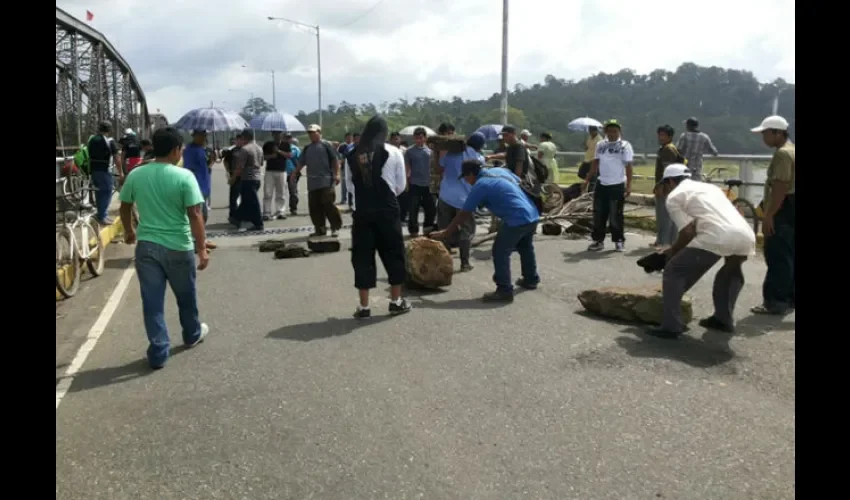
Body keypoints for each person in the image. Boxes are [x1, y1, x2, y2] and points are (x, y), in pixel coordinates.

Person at [118, 127, 210, 369]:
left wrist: (129, 230)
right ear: (175, 150)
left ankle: (159, 351)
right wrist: (202, 248)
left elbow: (124, 206)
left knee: (152, 302)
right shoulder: (184, 176)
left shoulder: (136, 175)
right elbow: (195, 214)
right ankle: (191, 335)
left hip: (147, 247)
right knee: (186, 297)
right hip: (179, 246)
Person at [647, 164, 755, 338]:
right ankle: (723, 319)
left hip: (717, 236)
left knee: (673, 271)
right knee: (730, 272)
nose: (665, 189)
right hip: (745, 235)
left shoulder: (674, 196)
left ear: (671, 181)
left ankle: (671, 325)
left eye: (665, 185)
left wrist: (672, 252)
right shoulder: (710, 188)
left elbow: (688, 231)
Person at [431, 160, 540, 302]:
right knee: (525, 246)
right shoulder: (499, 171)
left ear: (471, 174)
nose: (466, 180)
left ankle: (504, 290)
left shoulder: (480, 186)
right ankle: (531, 279)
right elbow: (517, 181)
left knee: (500, 251)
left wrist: (446, 232)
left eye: (465, 177)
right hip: (532, 214)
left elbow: (464, 213)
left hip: (516, 219)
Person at [343, 115, 412, 319]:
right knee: (394, 253)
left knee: (362, 256)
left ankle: (364, 307)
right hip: (387, 211)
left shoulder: (352, 154)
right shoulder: (394, 152)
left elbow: (349, 186)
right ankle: (396, 301)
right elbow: (400, 186)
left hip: (362, 212)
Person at [750, 115, 795, 315]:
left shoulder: (783, 155)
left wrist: (769, 216)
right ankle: (789, 297)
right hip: (790, 207)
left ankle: (776, 300)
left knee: (777, 254)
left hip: (783, 208)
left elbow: (780, 186)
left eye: (766, 134)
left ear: (778, 133)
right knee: (789, 254)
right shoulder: (792, 150)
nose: (764, 138)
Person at [437, 132, 486, 271]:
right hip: (464, 200)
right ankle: (465, 263)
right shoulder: (477, 158)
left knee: (444, 229)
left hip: (445, 196)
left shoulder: (450, 154)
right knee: (467, 230)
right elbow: (481, 164)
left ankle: (444, 262)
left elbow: (440, 166)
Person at [583, 119, 633, 252]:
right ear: (605, 132)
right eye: (609, 131)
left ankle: (619, 241)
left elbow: (628, 167)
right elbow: (595, 163)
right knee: (599, 214)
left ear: (619, 132)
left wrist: (629, 186)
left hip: (617, 184)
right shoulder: (600, 145)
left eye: (615, 131)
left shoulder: (625, 145)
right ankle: (598, 241)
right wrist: (587, 179)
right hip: (602, 183)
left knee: (615, 215)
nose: (612, 134)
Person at [292, 124, 343, 237]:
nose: (311, 135)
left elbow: (335, 160)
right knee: (315, 207)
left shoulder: (326, 145)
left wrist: (337, 174)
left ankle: (335, 227)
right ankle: (320, 229)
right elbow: (301, 162)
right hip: (312, 182)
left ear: (319, 133)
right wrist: (295, 172)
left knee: (328, 204)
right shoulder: (307, 148)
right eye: (309, 133)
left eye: (313, 132)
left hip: (326, 181)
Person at [653, 124, 685, 248]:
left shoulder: (667, 150)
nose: (660, 137)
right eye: (659, 134)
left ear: (669, 136)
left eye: (663, 135)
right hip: (671, 187)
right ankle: (670, 242)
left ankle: (664, 243)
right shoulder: (669, 148)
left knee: (664, 217)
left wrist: (661, 187)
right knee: (670, 217)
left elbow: (668, 172)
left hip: (667, 189)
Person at [87, 121, 123, 225]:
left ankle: (101, 214)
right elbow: (117, 158)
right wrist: (121, 172)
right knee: (107, 191)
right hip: (103, 170)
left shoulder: (92, 139)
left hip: (93, 170)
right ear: (109, 130)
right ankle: (102, 216)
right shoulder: (109, 141)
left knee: (99, 192)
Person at [230, 129, 265, 231]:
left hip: (247, 178)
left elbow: (240, 167)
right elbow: (261, 163)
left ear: (244, 138)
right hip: (257, 176)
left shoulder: (245, 149)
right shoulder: (259, 148)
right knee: (247, 200)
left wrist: (233, 178)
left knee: (253, 202)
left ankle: (258, 223)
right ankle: (237, 217)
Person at [405, 127, 436, 236]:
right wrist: (406, 183)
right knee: (413, 209)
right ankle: (413, 231)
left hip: (428, 185)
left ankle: (428, 229)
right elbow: (407, 168)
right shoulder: (409, 151)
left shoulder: (430, 152)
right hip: (414, 184)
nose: (419, 140)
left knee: (430, 209)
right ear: (414, 138)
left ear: (425, 138)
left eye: (421, 138)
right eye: (417, 138)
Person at [182, 130, 212, 223]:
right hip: (196, 185)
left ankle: (201, 232)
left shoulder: (202, 149)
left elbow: (206, 166)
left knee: (204, 212)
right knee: (198, 213)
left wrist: (210, 160)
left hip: (205, 184)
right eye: (202, 135)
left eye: (205, 135)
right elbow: (189, 167)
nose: (204, 138)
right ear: (194, 136)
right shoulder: (189, 149)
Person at [262, 131, 291, 221]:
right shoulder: (268, 144)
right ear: (272, 135)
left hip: (281, 171)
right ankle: (266, 212)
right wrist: (271, 156)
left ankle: (280, 211)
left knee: (281, 192)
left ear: (281, 135)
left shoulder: (285, 144)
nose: (277, 136)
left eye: (279, 134)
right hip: (270, 171)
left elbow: (289, 155)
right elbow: (263, 157)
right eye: (275, 134)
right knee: (268, 192)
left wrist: (278, 151)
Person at [389, 131, 410, 223]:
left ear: (400, 139)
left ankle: (403, 216)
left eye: (397, 139)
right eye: (393, 139)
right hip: (391, 177)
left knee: (404, 198)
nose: (395, 141)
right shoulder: (387, 150)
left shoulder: (405, 151)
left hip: (403, 176)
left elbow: (409, 163)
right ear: (390, 140)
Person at [281, 133, 302, 216]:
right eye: (285, 138)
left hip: (292, 173)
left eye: (289, 138)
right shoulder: (279, 148)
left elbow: (294, 157)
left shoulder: (295, 149)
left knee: (293, 192)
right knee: (281, 192)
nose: (287, 139)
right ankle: (281, 210)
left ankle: (293, 208)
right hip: (281, 172)